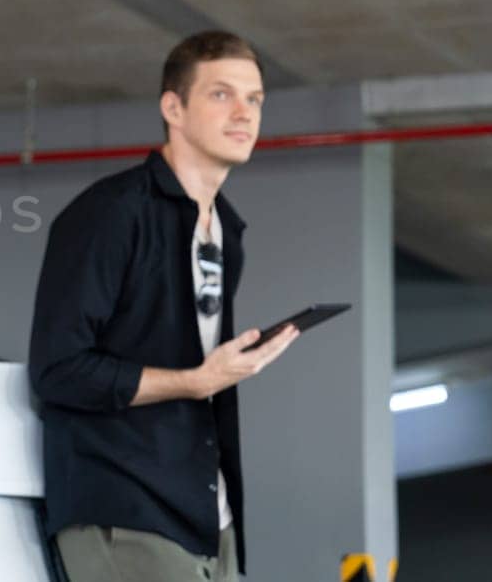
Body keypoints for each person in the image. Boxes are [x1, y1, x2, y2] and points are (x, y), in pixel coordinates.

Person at [29, 30, 301, 581]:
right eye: (221, 95)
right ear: (172, 108)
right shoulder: (109, 214)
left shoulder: (227, 229)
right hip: (124, 511)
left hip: (207, 516)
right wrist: (194, 381)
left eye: (255, 100)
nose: (243, 113)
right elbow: (58, 371)